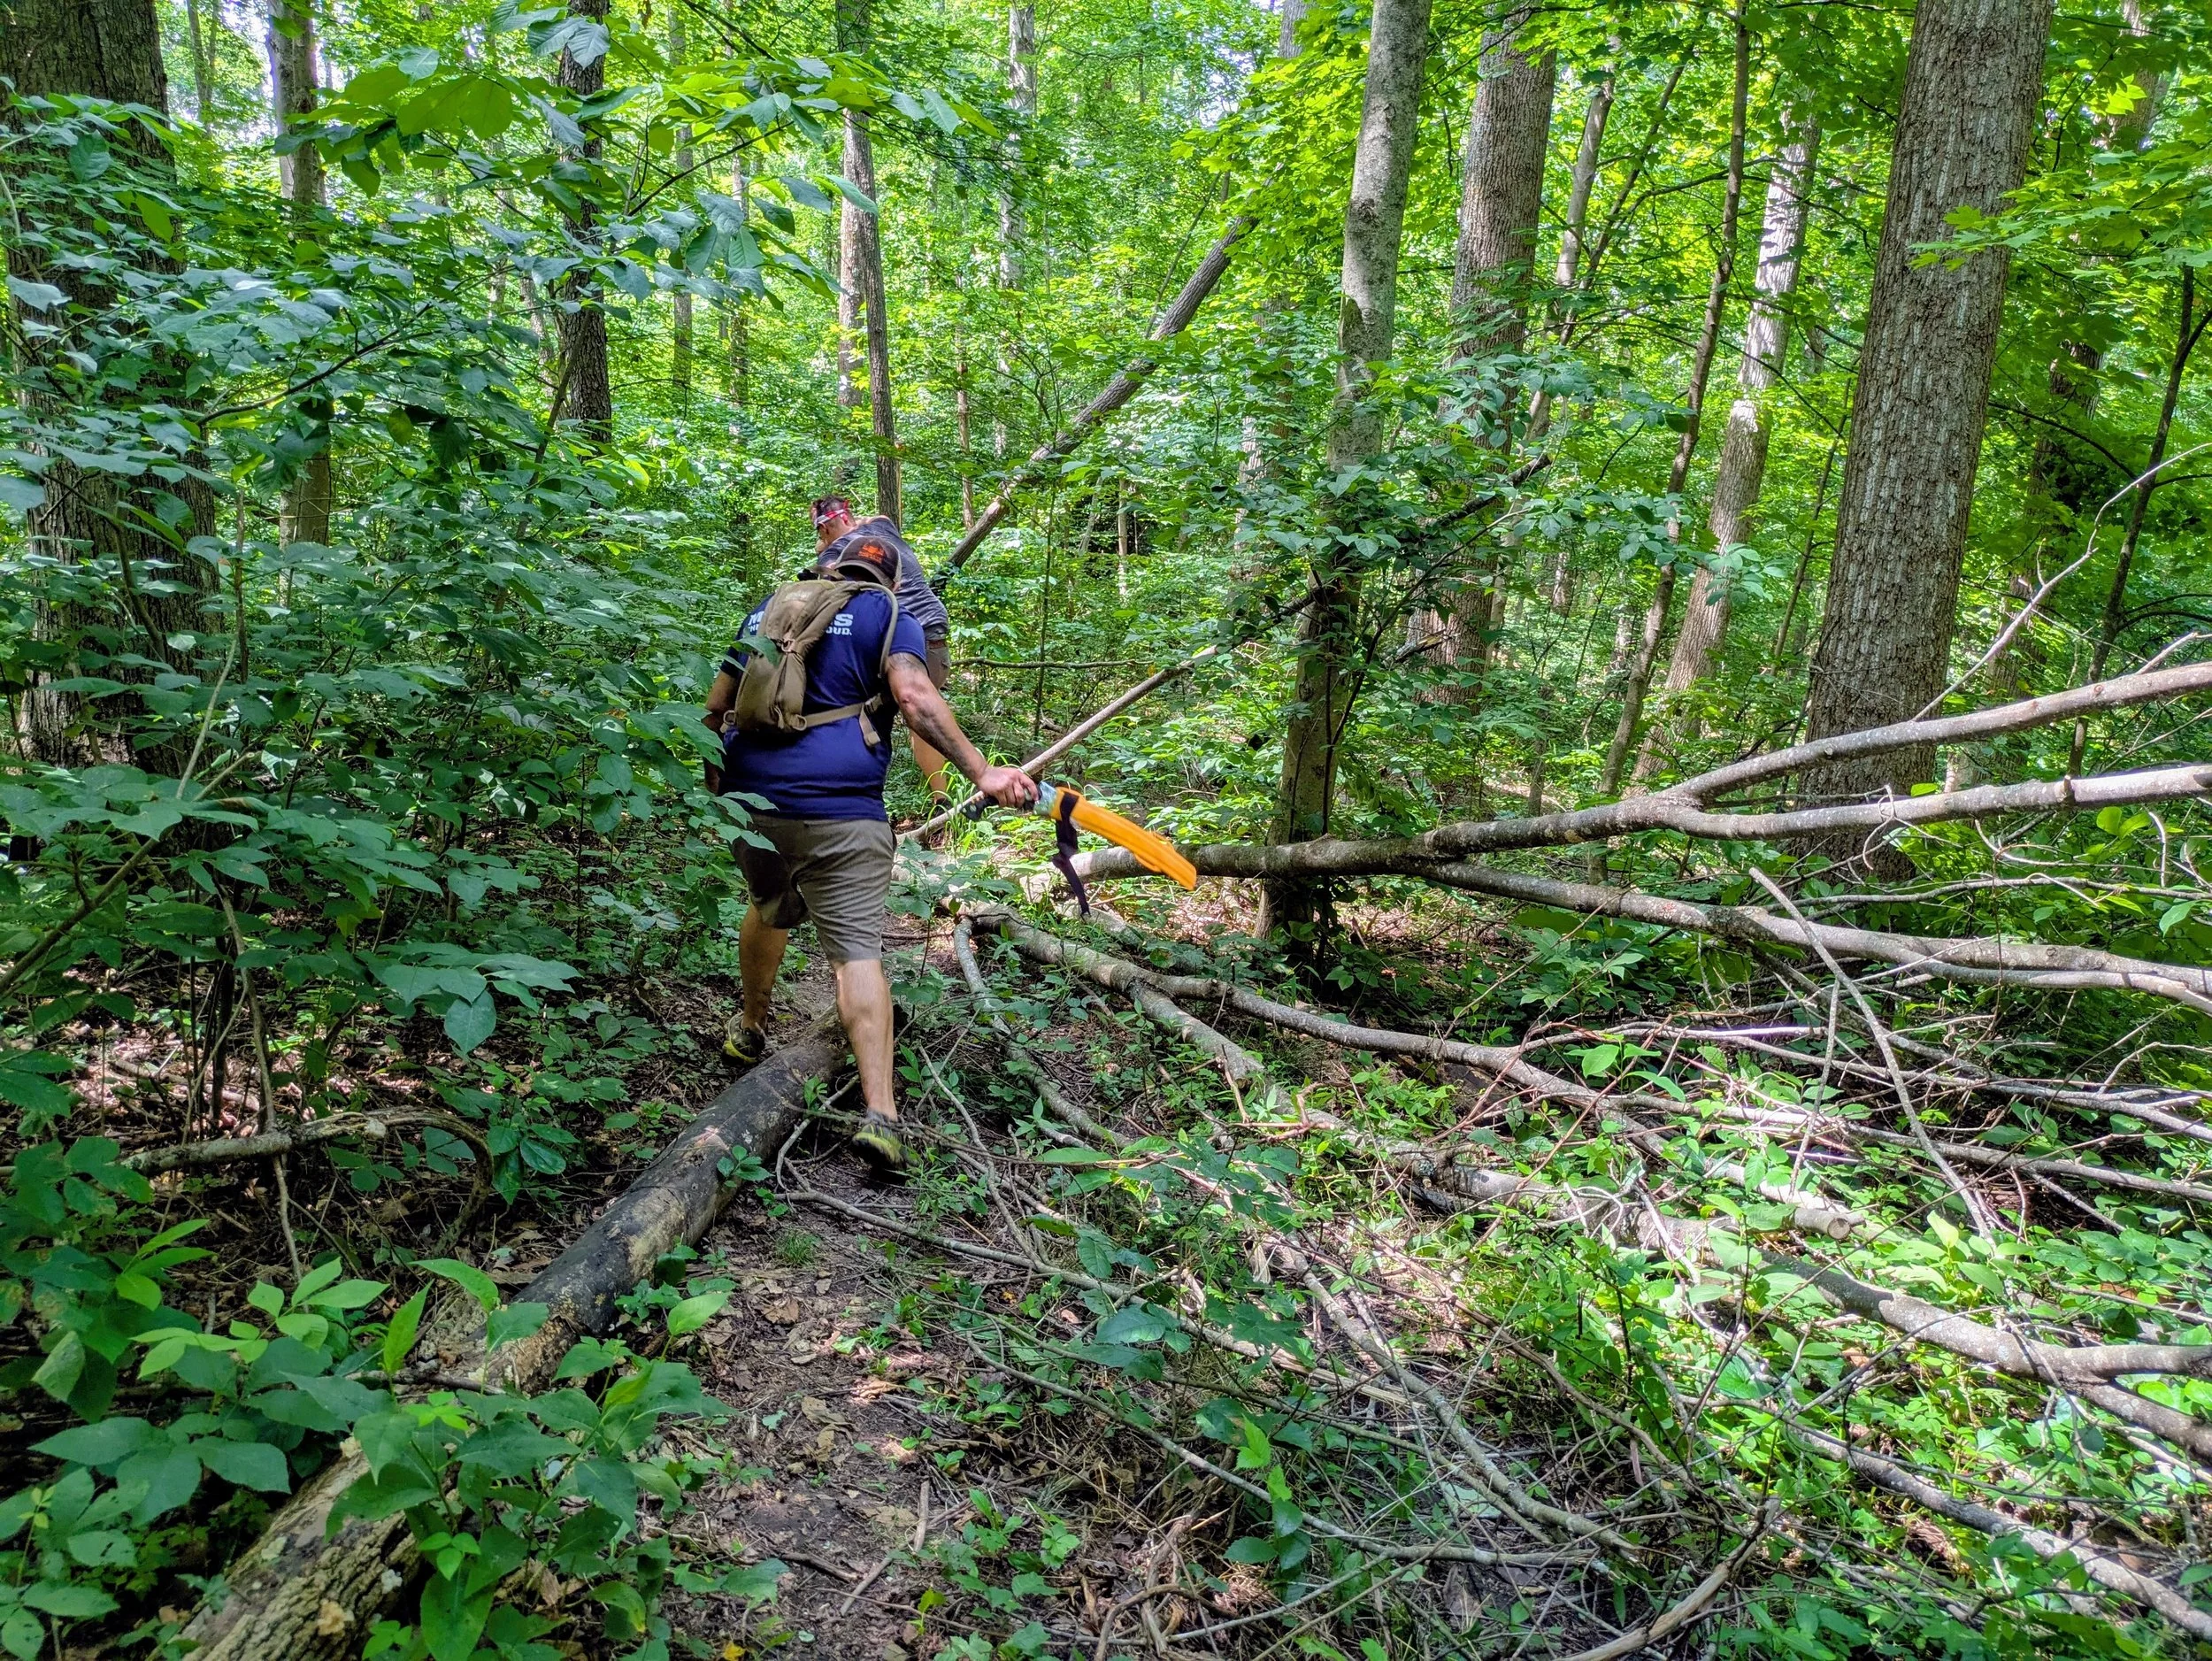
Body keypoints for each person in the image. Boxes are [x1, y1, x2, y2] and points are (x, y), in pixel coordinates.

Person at [703, 531, 1036, 1172]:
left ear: (829, 566)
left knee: (768, 904)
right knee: (857, 952)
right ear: (889, 578)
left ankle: (749, 1029)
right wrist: (983, 772)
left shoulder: (769, 609)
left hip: (751, 808)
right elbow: (913, 699)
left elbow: (715, 709)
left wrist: (720, 789)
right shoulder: (890, 614)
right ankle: (881, 1116)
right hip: (841, 812)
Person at [809, 496, 959, 816]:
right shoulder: (881, 528)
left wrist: (824, 551)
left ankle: (856, 801)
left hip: (900, 645)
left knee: (857, 713)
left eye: (820, 534)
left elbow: (820, 602)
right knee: (920, 717)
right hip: (935, 644)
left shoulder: (838, 554)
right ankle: (941, 799)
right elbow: (880, 517)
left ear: (824, 530)